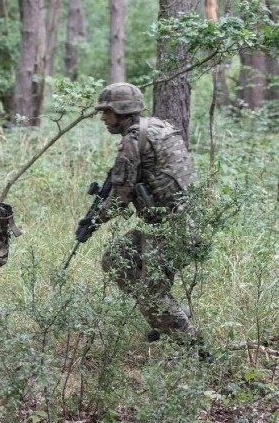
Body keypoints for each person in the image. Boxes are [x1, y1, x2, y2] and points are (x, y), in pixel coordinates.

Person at [89, 82, 211, 359]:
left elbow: (120, 196)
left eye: (106, 112)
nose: (103, 118)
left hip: (177, 229)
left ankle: (198, 353)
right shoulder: (156, 127)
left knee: (150, 293)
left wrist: (93, 222)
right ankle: (169, 318)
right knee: (116, 259)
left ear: (121, 111)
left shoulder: (134, 140)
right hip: (184, 223)